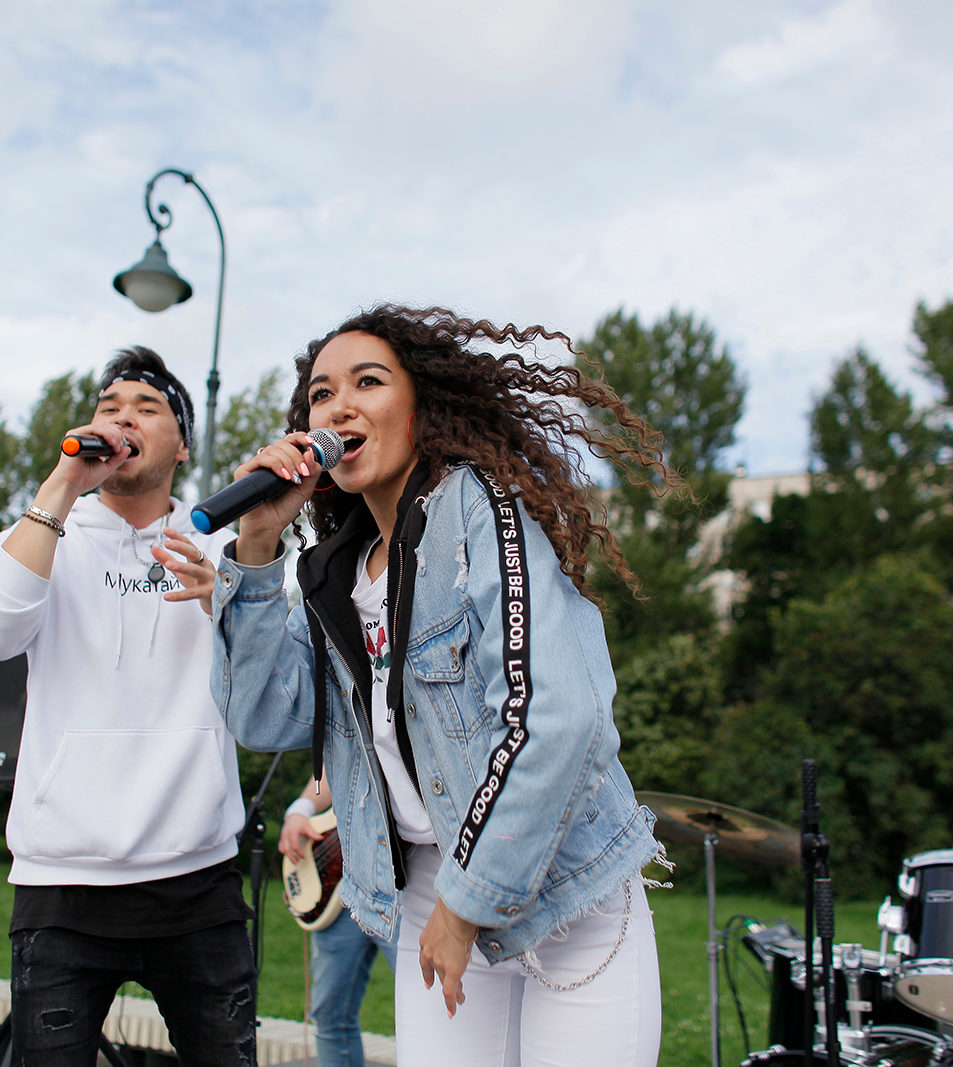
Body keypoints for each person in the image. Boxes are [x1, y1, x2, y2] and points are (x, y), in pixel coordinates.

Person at [211, 305, 672, 1066]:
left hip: (562, 885)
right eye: (321, 395)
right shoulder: (334, 571)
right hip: (431, 891)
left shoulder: (476, 507)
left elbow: (557, 717)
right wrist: (256, 543)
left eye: (368, 381)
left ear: (421, 405)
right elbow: (265, 713)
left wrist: (467, 903)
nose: (340, 406)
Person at [0, 346, 257, 1067]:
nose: (122, 416)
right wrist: (65, 483)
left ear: (182, 443)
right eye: (108, 407)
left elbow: (284, 683)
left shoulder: (220, 540)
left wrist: (228, 599)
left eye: (146, 407)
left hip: (197, 879)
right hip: (63, 884)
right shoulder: (44, 533)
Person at [280, 775, 398, 1067]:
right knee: (330, 1014)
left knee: (432, 1012)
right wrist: (301, 809)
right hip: (344, 893)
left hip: (407, 886)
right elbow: (334, 761)